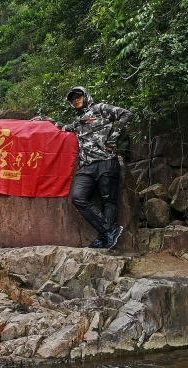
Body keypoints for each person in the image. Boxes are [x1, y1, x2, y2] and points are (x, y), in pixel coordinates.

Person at [49, 86, 132, 249]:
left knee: (108, 201)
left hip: (106, 161)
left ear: (86, 96)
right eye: (73, 99)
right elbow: (62, 128)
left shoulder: (100, 108)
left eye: (78, 96)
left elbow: (126, 114)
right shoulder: (77, 122)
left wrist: (113, 138)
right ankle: (110, 231)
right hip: (86, 166)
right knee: (78, 197)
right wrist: (45, 119)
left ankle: (105, 239)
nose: (76, 100)